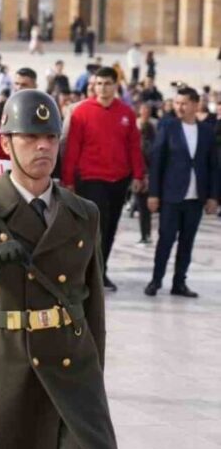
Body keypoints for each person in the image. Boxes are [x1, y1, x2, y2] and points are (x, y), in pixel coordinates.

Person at [0, 89, 118, 449]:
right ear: (6, 144)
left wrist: (94, 371)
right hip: (4, 366)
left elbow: (93, 304)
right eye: (30, 137)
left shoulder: (83, 212)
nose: (43, 147)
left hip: (70, 368)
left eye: (51, 137)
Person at [61, 66, 145, 291]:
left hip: (118, 181)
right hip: (90, 179)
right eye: (98, 83)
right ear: (93, 85)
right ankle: (89, 274)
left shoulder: (126, 113)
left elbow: (134, 146)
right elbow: (72, 148)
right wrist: (68, 180)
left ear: (115, 86)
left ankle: (101, 271)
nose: (103, 88)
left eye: (107, 83)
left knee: (110, 228)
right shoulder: (81, 112)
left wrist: (138, 174)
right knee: (96, 228)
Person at [145, 87, 220, 298]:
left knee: (187, 242)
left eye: (184, 103)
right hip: (171, 196)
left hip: (195, 198)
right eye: (177, 103)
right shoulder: (168, 127)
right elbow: (157, 162)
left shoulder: (206, 131)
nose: (179, 107)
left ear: (196, 105)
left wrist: (214, 197)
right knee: (165, 240)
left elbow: (213, 166)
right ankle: (156, 280)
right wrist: (153, 194)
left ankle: (179, 282)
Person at [134, 102, 157, 244]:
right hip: (143, 176)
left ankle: (145, 234)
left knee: (143, 208)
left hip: (143, 176)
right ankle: (146, 234)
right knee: (144, 208)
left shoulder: (145, 145)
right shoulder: (147, 144)